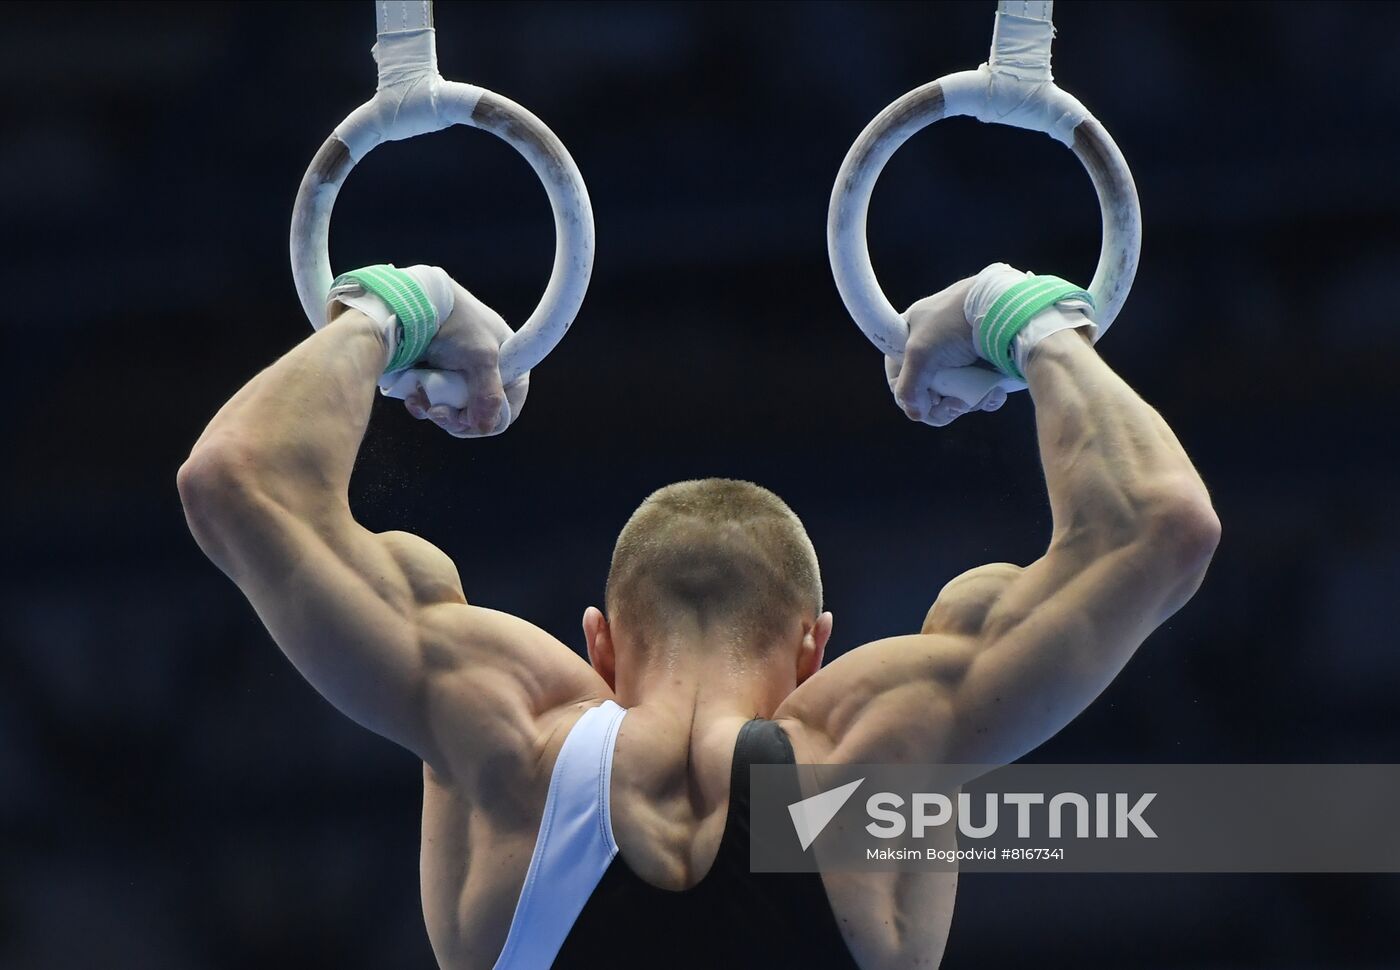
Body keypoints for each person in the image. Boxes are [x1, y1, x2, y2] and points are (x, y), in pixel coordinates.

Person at [177, 262, 1219, 969]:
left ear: (599, 645)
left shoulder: (506, 737)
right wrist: (1020, 315)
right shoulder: (874, 751)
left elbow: (234, 481)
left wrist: (396, 308)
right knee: (975, 621)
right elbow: (1162, 528)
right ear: (813, 649)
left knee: (412, 575)